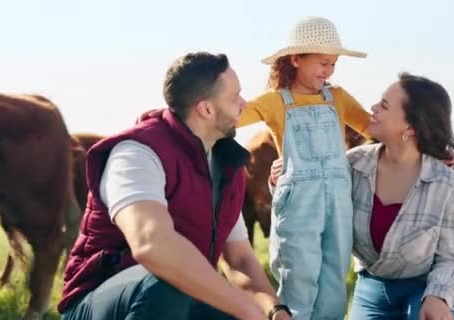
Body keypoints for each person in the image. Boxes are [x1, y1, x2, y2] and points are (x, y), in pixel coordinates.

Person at [58, 52, 291, 320]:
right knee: (166, 281)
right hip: (102, 305)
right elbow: (151, 245)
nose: (243, 103)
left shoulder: (227, 164)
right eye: (235, 96)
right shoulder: (138, 153)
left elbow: (239, 261)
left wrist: (274, 311)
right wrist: (247, 309)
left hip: (180, 302)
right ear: (206, 109)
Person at [269, 73, 454, 320]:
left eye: (384, 105)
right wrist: (288, 178)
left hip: (430, 287)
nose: (373, 108)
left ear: (410, 127)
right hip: (373, 289)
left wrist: (438, 296)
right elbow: (312, 204)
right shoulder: (351, 165)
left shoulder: (447, 183)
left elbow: (453, 260)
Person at [238, 16, 371, 319]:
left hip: (338, 199)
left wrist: (428, 146)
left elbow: (374, 129)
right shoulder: (274, 101)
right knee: (299, 274)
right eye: (323, 63)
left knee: (334, 277)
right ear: (295, 59)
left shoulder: (338, 97)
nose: (329, 71)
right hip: (299, 201)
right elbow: (229, 118)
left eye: (334, 64)